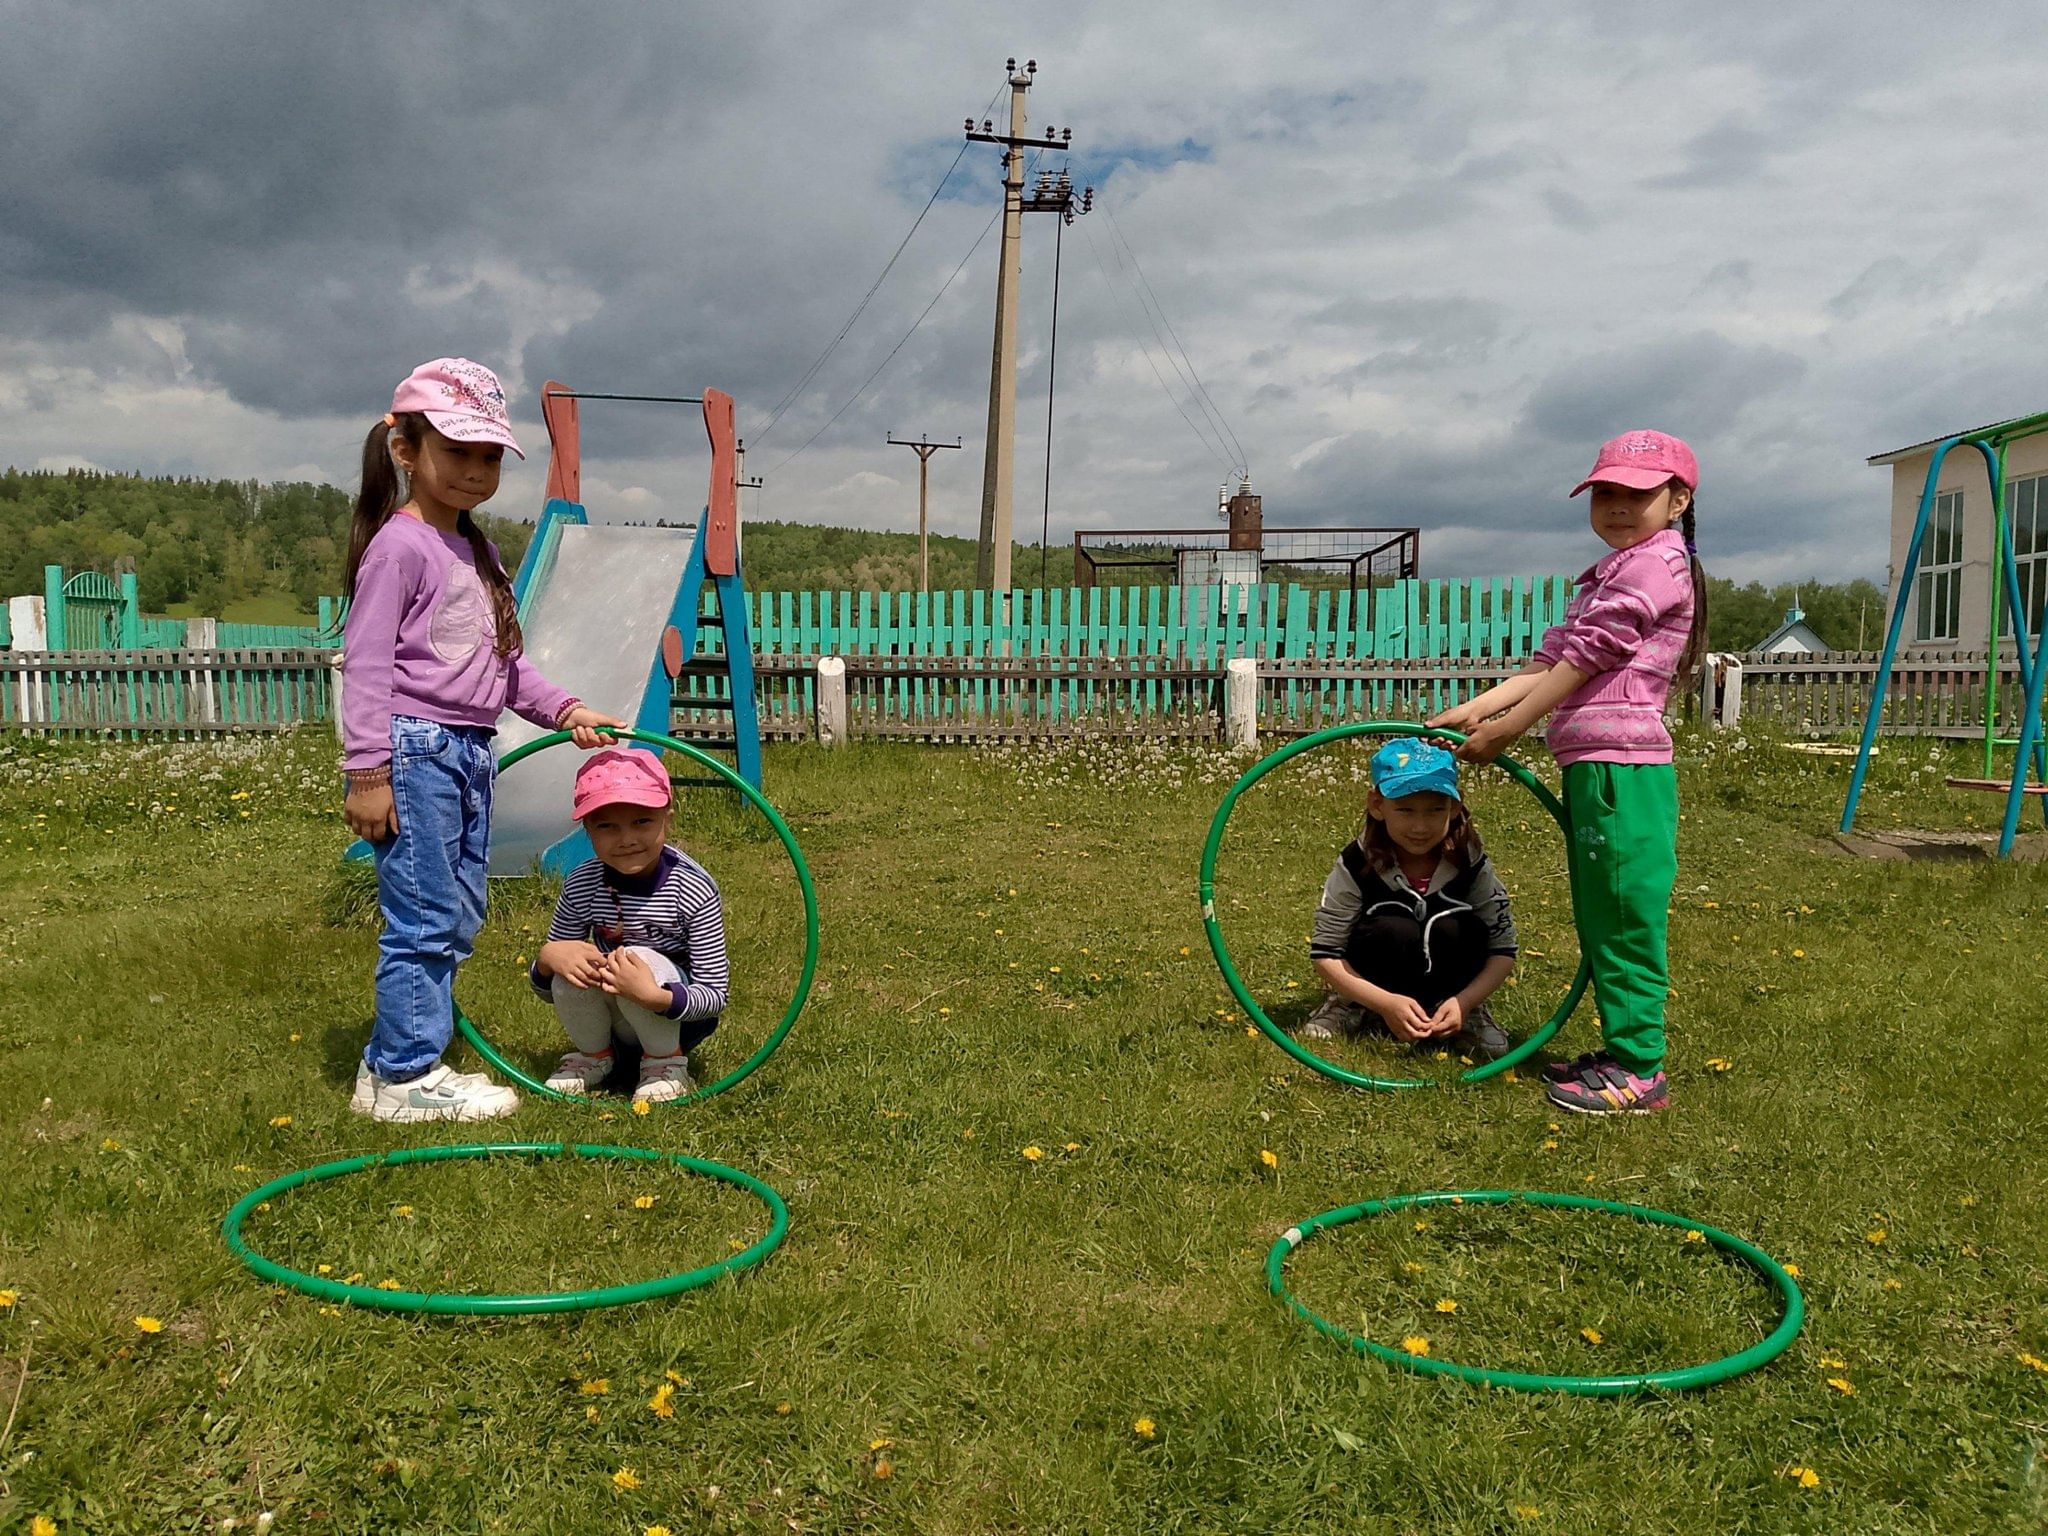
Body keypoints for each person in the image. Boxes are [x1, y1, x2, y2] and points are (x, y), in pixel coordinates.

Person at [340, 357, 622, 1122]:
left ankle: (393, 1061)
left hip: (467, 753)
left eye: (489, 457)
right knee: (426, 918)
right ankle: (402, 1077)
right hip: (414, 752)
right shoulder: (398, 549)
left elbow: (505, 668)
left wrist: (564, 710)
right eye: (456, 452)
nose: (473, 471)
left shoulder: (478, 552)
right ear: (405, 451)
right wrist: (368, 774)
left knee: (459, 912)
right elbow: (364, 667)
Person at [1430, 429, 1707, 1115]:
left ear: (1678, 500)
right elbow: (1555, 654)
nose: (1616, 506)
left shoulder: (1655, 567)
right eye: (1605, 493)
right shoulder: (1617, 569)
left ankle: (1640, 1068)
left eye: (1636, 494)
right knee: (1601, 913)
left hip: (1623, 770)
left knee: (1623, 917)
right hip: (1596, 767)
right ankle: (1622, 1052)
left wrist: (1511, 729)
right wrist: (1476, 709)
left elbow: (1587, 660)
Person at [1298, 737, 1518, 1061]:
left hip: (1454, 984)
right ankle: (1352, 1003)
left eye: (1435, 810)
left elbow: (1503, 948)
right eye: (1404, 809)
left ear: (1455, 806)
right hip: (1377, 971)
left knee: (1459, 927)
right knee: (1393, 926)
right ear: (1377, 805)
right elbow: (1325, 952)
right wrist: (1384, 1003)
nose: (1420, 826)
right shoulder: (1356, 863)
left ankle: (1466, 1012)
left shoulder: (1471, 863)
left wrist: (1465, 1001)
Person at [532, 749, 729, 1104]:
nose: (626, 839)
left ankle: (665, 1062)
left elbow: (715, 996)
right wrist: (547, 959)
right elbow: (555, 988)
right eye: (607, 826)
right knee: (573, 960)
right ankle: (595, 1056)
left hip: (675, 1014)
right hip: (615, 1008)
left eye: (642, 822)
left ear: (667, 821)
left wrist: (655, 997)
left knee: (634, 956)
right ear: (587, 830)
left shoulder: (693, 888)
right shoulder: (581, 883)